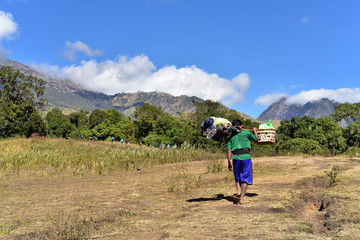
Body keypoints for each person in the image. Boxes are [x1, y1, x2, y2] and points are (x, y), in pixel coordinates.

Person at [227, 119, 258, 204]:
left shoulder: (230, 136)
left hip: (235, 158)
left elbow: (229, 150)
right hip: (245, 157)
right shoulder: (246, 133)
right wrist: (255, 131)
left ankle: (238, 191)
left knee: (237, 177)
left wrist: (229, 161)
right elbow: (256, 140)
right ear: (241, 126)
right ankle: (242, 199)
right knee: (245, 178)